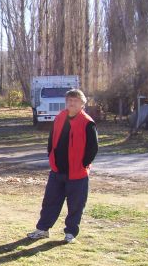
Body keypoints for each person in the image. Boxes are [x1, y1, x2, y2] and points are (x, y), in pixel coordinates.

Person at [27, 89, 98, 243]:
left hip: (77, 173)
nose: (72, 103)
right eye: (70, 100)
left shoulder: (87, 122)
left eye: (76, 101)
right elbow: (52, 138)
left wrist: (84, 164)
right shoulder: (60, 117)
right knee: (50, 202)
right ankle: (42, 229)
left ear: (82, 104)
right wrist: (50, 154)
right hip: (57, 171)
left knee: (75, 205)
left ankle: (70, 233)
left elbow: (93, 148)